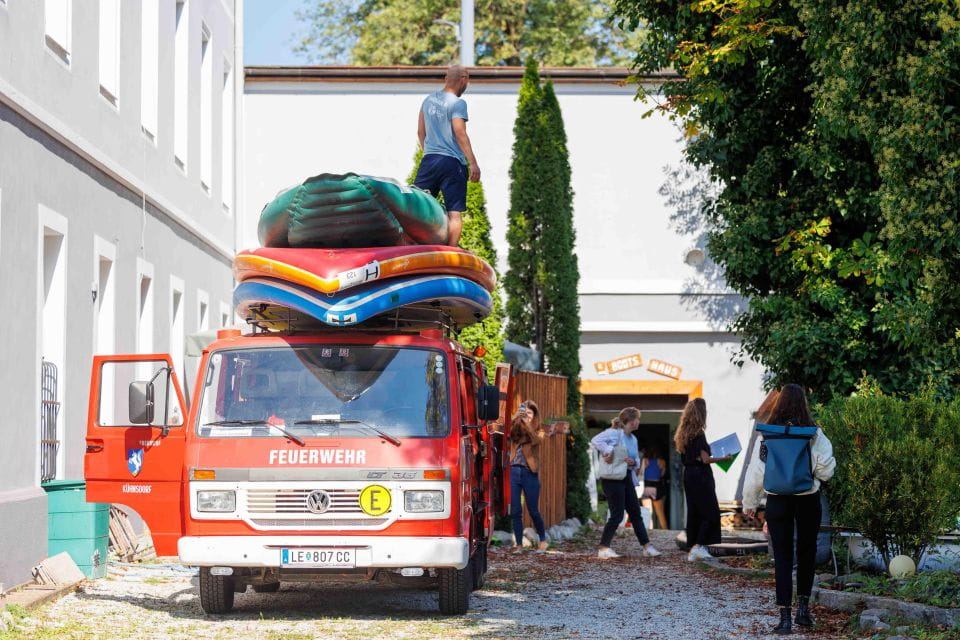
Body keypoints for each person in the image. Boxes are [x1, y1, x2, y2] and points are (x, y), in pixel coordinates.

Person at [743, 384, 836, 635]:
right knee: (807, 553)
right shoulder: (814, 434)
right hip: (807, 498)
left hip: (777, 501)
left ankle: (784, 618)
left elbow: (756, 472)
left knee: (782, 557)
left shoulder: (767, 435)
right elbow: (826, 471)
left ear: (779, 403)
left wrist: (750, 503)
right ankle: (803, 612)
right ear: (803, 403)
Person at [412, 65, 480, 247]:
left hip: (430, 161)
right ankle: (450, 252)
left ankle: (417, 246)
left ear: (445, 77)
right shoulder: (458, 103)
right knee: (454, 213)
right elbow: (460, 132)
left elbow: (420, 132)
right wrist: (473, 163)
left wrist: (428, 152)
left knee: (418, 206)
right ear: (464, 79)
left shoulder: (428, 100)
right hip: (452, 163)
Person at [592, 408, 660, 559]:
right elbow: (596, 441)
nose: (639, 422)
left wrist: (632, 462)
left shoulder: (633, 439)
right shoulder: (614, 433)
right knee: (617, 515)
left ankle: (646, 547)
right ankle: (603, 548)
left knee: (635, 513)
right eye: (638, 419)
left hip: (626, 476)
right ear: (632, 420)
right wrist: (610, 451)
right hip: (612, 478)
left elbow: (636, 462)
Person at [675, 398, 732, 562]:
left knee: (694, 512)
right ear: (702, 413)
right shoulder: (699, 433)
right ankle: (698, 546)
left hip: (689, 475)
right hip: (701, 475)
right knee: (711, 512)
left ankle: (693, 547)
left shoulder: (683, 433)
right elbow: (705, 460)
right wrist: (724, 458)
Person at [509, 400, 550, 551]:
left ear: (534, 415)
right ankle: (519, 545)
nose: (526, 415)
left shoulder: (539, 430)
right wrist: (515, 417)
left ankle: (543, 540)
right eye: (524, 412)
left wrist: (525, 423)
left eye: (529, 413)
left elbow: (535, 440)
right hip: (513, 471)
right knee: (515, 510)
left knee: (533, 510)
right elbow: (508, 432)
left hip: (529, 473)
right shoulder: (515, 428)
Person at [640, 444, 668, 529]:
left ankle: (650, 532)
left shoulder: (645, 460)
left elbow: (641, 473)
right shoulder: (662, 461)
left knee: (648, 512)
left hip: (646, 486)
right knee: (660, 513)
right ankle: (665, 531)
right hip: (656, 486)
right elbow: (662, 474)